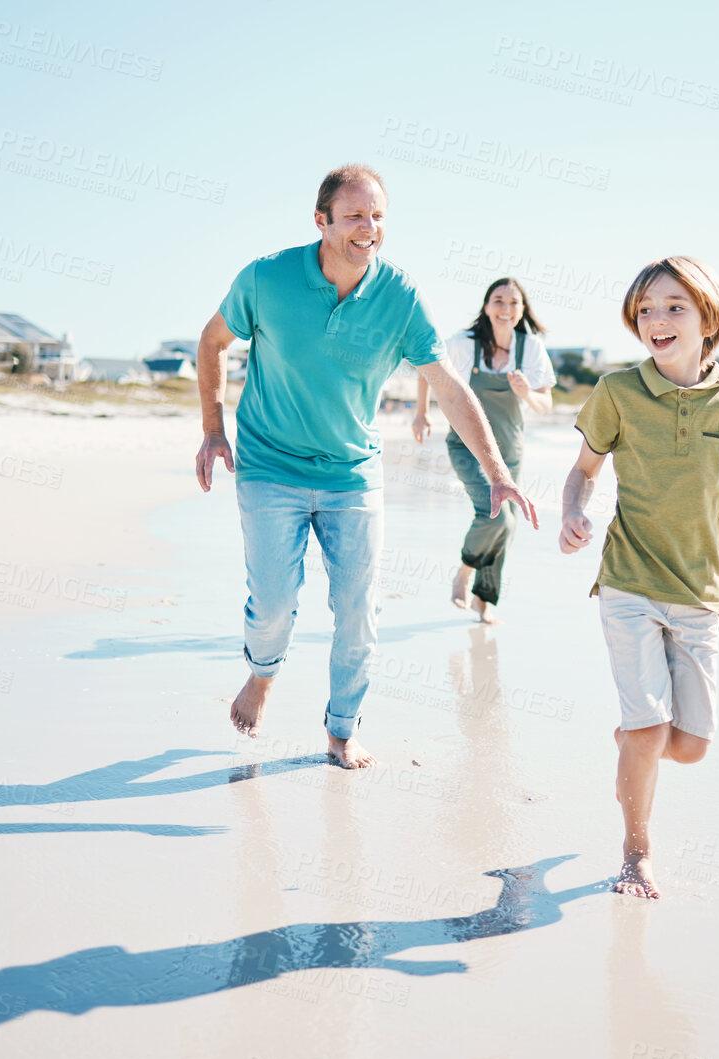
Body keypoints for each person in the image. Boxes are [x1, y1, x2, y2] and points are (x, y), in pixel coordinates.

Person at [193, 164, 538, 770]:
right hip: (270, 466)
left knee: (358, 606)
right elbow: (212, 342)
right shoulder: (267, 278)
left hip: (352, 473)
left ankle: (342, 728)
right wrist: (213, 432)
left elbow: (449, 386)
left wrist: (497, 470)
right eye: (354, 215)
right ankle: (263, 674)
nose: (368, 227)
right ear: (321, 220)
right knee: (274, 604)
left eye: (377, 216)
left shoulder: (399, 296)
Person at [558, 256, 719, 899]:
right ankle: (637, 851)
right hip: (629, 580)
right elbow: (583, 470)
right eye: (646, 310)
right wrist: (575, 511)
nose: (656, 320)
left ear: (707, 317)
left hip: (700, 592)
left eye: (673, 307)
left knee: (687, 746)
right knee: (649, 728)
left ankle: (634, 740)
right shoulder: (617, 392)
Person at [410, 279, 555, 623]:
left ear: (523, 310)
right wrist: (421, 413)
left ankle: (483, 600)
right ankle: (464, 569)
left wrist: (526, 394)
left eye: (514, 303)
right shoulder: (464, 344)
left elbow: (545, 404)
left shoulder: (530, 347)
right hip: (466, 447)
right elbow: (426, 367)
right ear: (487, 307)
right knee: (496, 515)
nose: (506, 309)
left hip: (511, 450)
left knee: (508, 526)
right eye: (499, 301)